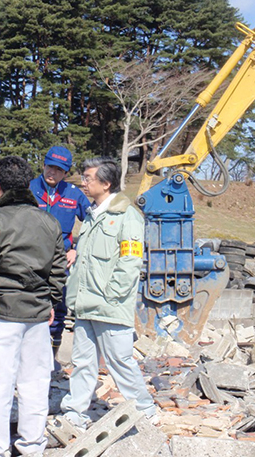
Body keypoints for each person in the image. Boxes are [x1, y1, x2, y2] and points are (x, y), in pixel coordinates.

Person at [0, 156, 66, 457]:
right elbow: (58, 268)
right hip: (36, 316)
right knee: (35, 386)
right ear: (27, 184)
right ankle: (32, 447)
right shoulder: (48, 221)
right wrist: (51, 301)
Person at [60, 157, 157, 428]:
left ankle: (145, 412)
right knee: (82, 363)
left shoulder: (127, 218)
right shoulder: (92, 216)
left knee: (120, 362)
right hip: (85, 304)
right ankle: (75, 413)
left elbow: (130, 262)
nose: (83, 182)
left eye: (88, 178)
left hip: (110, 306)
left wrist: (112, 295)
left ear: (106, 183)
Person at [29, 146, 90, 365]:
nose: (52, 173)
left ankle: (51, 358)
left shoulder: (73, 194)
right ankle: (28, 356)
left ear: (65, 172)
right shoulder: (28, 189)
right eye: (50, 167)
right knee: (28, 305)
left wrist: (77, 248)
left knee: (58, 307)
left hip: (59, 261)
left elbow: (93, 223)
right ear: (43, 165)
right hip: (28, 259)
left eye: (58, 170)